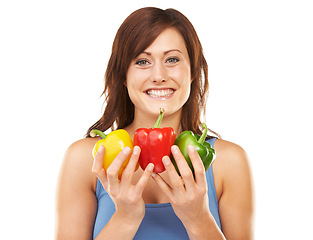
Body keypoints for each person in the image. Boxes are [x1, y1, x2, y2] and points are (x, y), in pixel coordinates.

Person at [55, 7, 254, 240]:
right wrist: (126, 218)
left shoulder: (229, 162)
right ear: (123, 76)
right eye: (142, 61)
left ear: (192, 72)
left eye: (172, 59)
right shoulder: (86, 158)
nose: (158, 75)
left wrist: (198, 218)